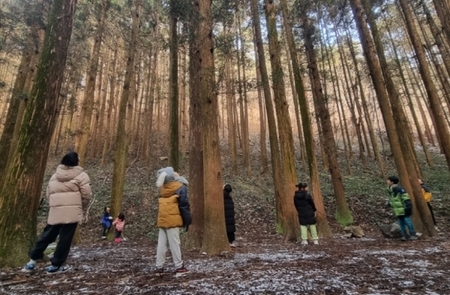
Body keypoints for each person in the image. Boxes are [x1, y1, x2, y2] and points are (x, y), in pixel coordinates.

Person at [22, 151, 92, 273]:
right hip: (72, 212)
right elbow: (86, 195)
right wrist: (82, 208)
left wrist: (54, 206)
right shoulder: (82, 176)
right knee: (65, 240)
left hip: (55, 211)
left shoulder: (55, 176)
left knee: (47, 235)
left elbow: (49, 194)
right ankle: (55, 265)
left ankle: (32, 260)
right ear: (76, 162)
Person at [155, 167, 191, 273]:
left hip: (163, 219)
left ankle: (159, 266)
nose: (176, 172)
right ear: (171, 177)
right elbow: (184, 205)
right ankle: (179, 266)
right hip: (173, 219)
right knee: (175, 243)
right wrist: (187, 220)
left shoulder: (164, 188)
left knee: (161, 244)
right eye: (174, 172)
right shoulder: (180, 187)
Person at [387, 176, 418, 241]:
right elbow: (393, 200)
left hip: (404, 209)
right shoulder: (390, 190)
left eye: (388, 180)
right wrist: (390, 203)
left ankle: (413, 234)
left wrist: (408, 207)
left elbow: (406, 198)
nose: (387, 181)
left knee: (407, 221)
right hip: (397, 210)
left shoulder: (400, 189)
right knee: (401, 222)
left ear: (392, 182)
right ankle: (403, 235)